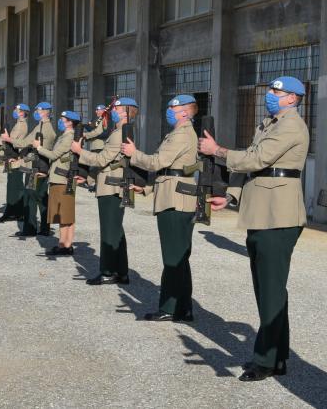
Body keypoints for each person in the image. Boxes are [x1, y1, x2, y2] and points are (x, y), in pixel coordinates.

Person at [199, 76, 308, 382]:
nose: (270, 94)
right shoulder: (269, 124)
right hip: (263, 213)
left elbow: (256, 159)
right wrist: (232, 195)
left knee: (271, 289)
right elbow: (259, 170)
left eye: (277, 91)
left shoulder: (290, 125)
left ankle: (266, 361)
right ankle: (278, 355)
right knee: (269, 289)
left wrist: (217, 150)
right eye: (271, 90)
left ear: (292, 98)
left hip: (278, 216)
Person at [120, 95, 198, 322]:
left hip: (175, 201)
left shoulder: (182, 134)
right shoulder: (179, 133)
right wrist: (146, 190)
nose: (169, 110)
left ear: (184, 112)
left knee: (173, 257)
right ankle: (183, 306)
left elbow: (157, 163)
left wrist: (133, 154)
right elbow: (170, 171)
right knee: (179, 256)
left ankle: (170, 308)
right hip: (174, 195)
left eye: (172, 107)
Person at [71, 98, 139, 285]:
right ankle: (121, 271)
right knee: (116, 230)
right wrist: (89, 178)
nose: (112, 110)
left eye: (116, 108)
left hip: (111, 187)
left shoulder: (119, 134)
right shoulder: (120, 131)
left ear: (125, 112)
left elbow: (102, 160)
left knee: (109, 231)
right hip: (112, 183)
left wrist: (79, 151)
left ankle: (108, 271)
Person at [2, 102, 56, 236]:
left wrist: (8, 139)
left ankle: (30, 228)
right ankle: (44, 228)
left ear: (45, 112)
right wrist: (22, 159)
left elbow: (26, 143)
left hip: (37, 168)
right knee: (41, 197)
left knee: (30, 197)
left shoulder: (43, 128)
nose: (36, 112)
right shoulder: (44, 126)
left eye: (38, 110)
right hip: (41, 166)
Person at [37, 110, 81, 256]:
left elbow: (54, 155)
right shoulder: (65, 136)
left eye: (63, 119)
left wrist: (39, 147)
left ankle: (65, 245)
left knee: (65, 214)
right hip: (60, 177)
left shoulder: (69, 137)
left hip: (62, 179)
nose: (60, 121)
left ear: (70, 122)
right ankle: (65, 244)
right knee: (65, 214)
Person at [0, 103, 30, 223]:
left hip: (15, 159)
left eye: (17, 109)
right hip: (11, 158)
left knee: (14, 187)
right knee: (12, 186)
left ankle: (12, 212)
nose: (15, 110)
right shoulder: (18, 124)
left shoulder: (21, 125)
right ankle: (15, 212)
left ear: (22, 112)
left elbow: (13, 142)